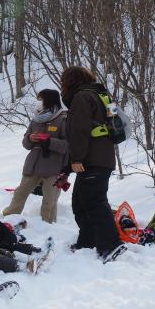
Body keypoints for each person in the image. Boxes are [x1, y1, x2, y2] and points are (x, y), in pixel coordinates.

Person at [61, 66, 126, 262]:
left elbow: (79, 131)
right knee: (80, 202)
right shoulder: (100, 95)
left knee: (94, 202)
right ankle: (87, 241)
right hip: (101, 158)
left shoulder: (82, 98)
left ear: (70, 81)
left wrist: (76, 159)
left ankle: (111, 245)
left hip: (91, 159)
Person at [2, 89, 68, 223]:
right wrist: (31, 138)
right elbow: (26, 143)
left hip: (53, 166)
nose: (38, 103)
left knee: (50, 200)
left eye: (41, 100)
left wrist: (49, 141)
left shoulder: (63, 119)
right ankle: (9, 219)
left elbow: (67, 145)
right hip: (33, 164)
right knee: (20, 193)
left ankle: (47, 224)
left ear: (48, 100)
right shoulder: (36, 119)